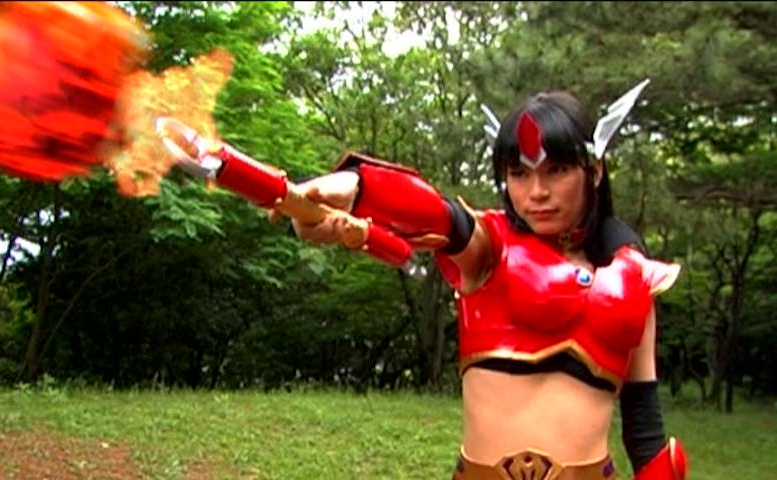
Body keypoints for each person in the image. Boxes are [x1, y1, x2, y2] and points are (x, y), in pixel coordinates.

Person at [289, 89, 688, 480]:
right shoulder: (490, 250)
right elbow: (444, 219)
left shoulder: (633, 278)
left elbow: (644, 425)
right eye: (519, 174)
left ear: (594, 171)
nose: (537, 192)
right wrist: (359, 189)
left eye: (557, 170)